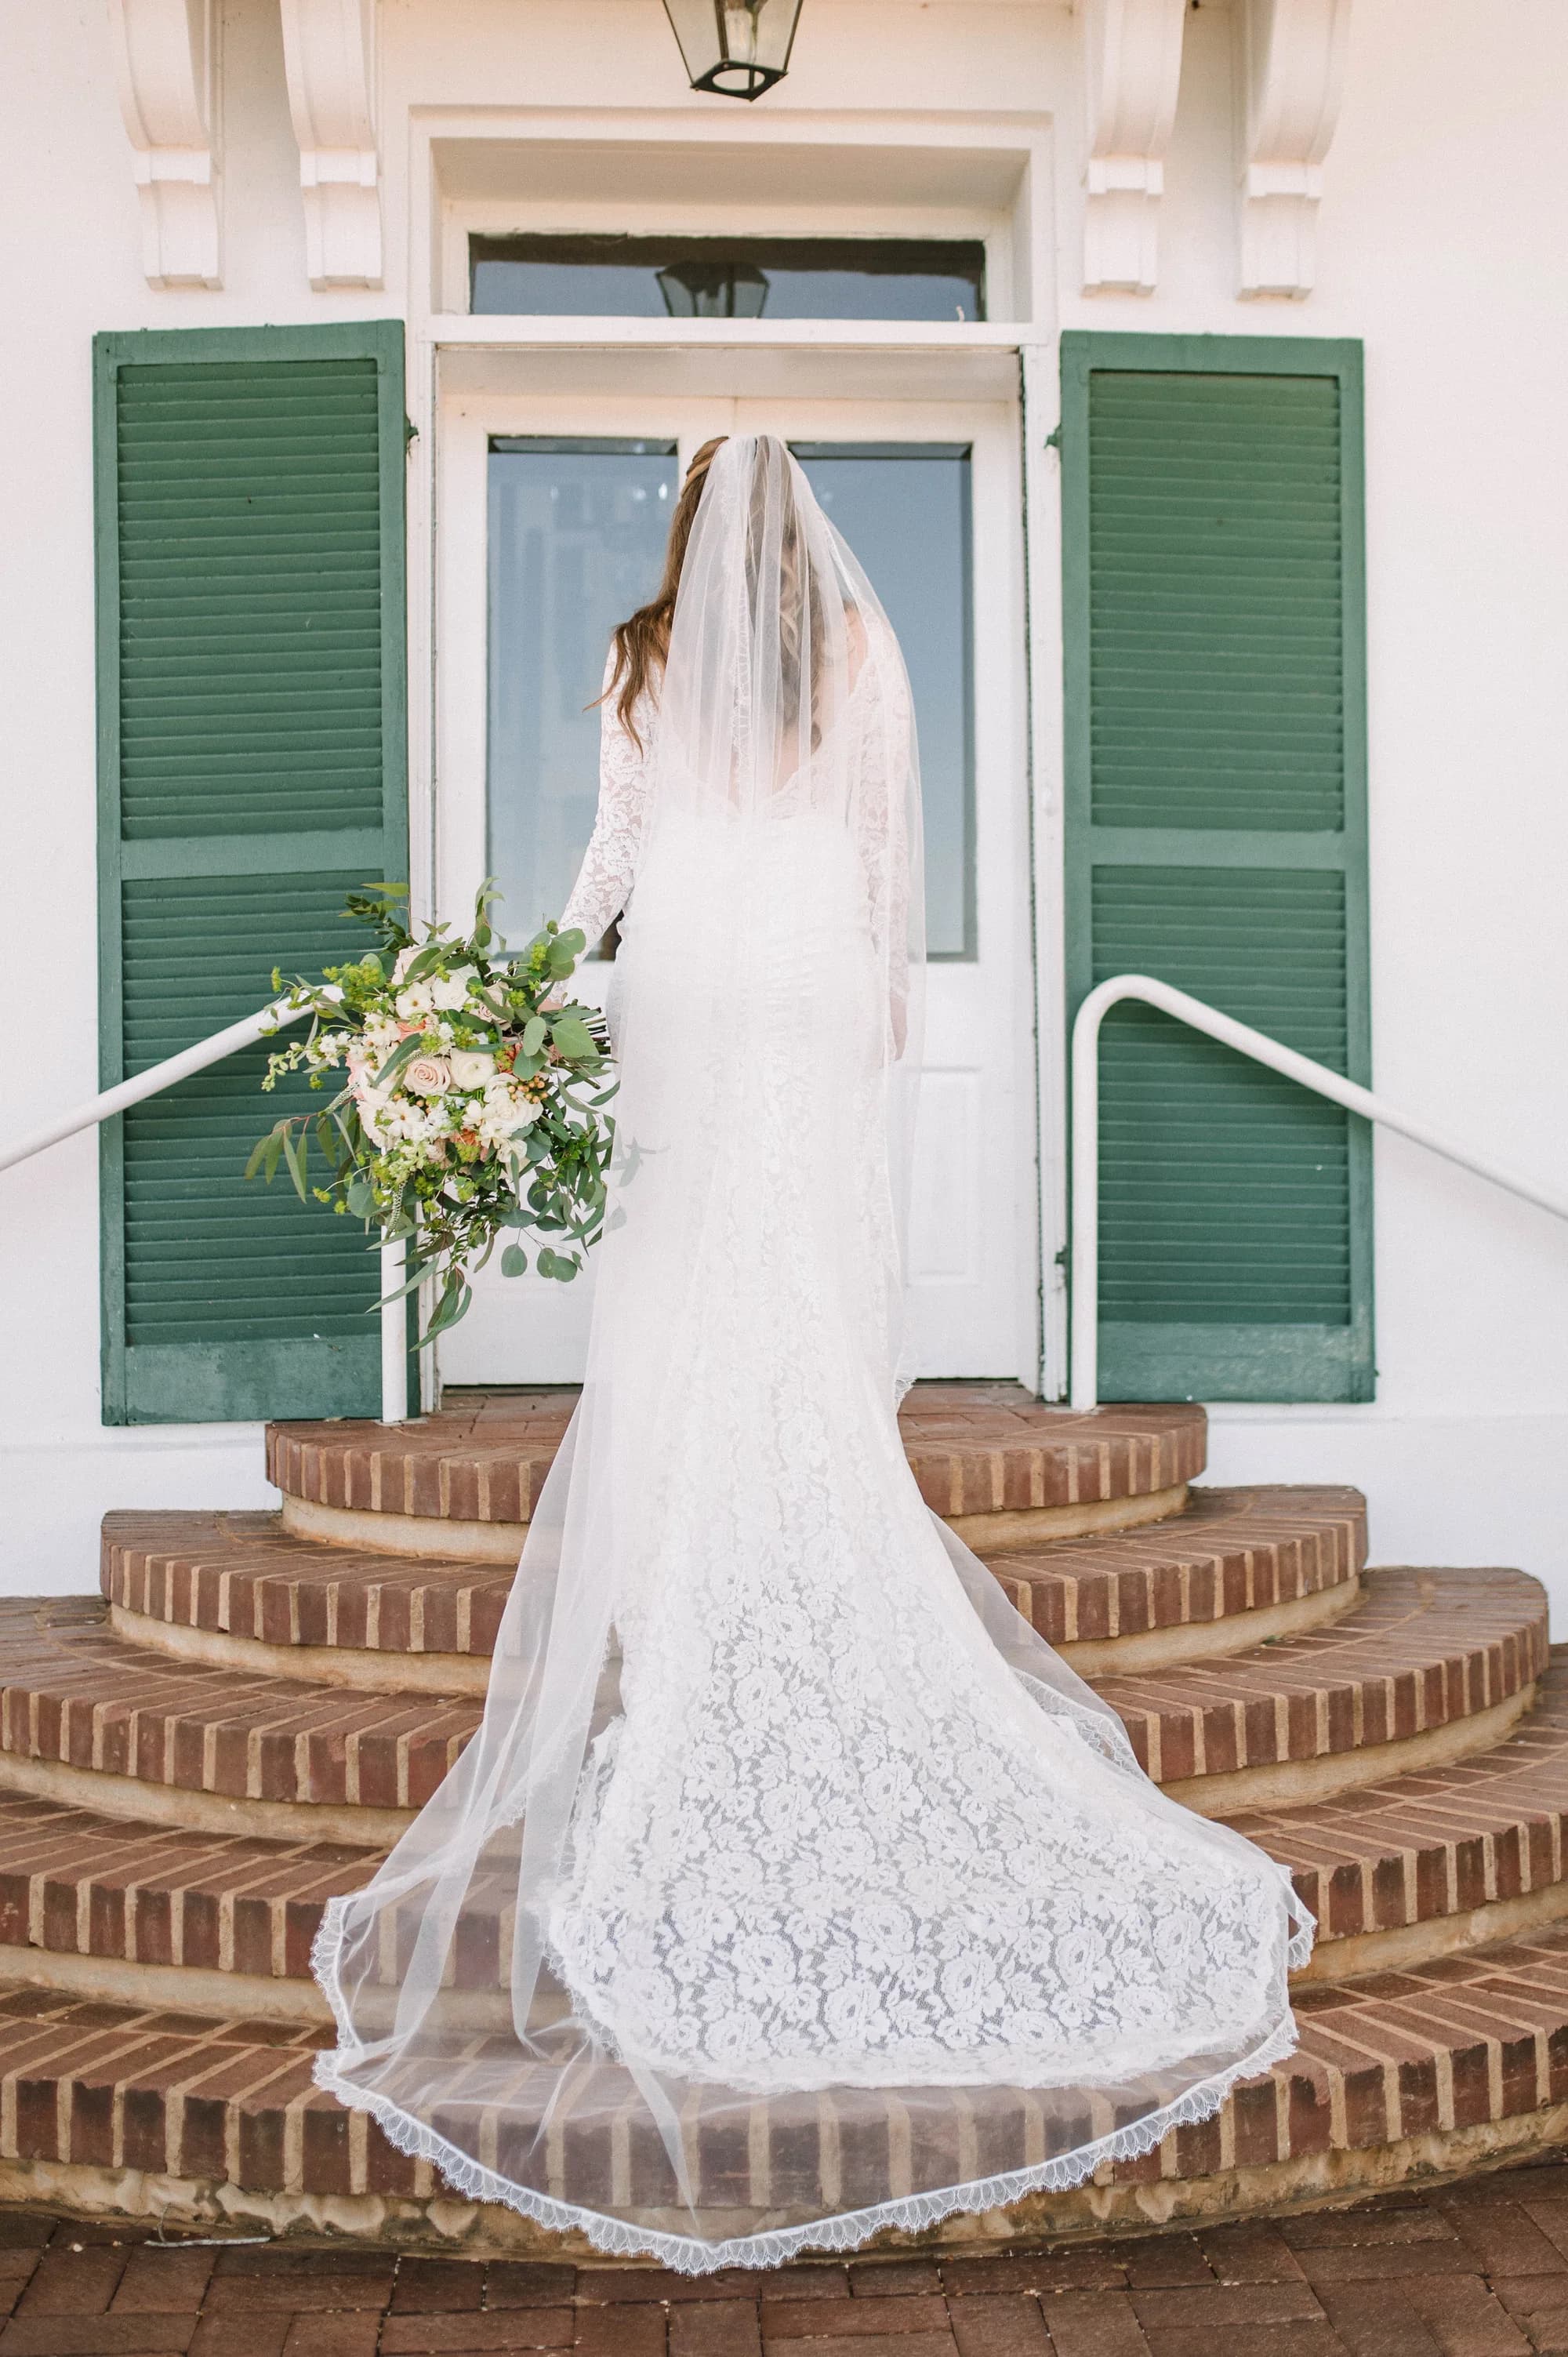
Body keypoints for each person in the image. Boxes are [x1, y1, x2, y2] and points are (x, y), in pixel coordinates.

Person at [312, 434, 1311, 2272]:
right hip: (787, 986)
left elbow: (615, 854)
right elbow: (875, 863)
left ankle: (693, 1599)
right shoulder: (856, 650)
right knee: (781, 1289)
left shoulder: (633, 648)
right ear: (800, 534)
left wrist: (528, 983)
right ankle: (783, 1563)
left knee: (680, 1294)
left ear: (688, 526)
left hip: (689, 979)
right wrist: (876, 1024)